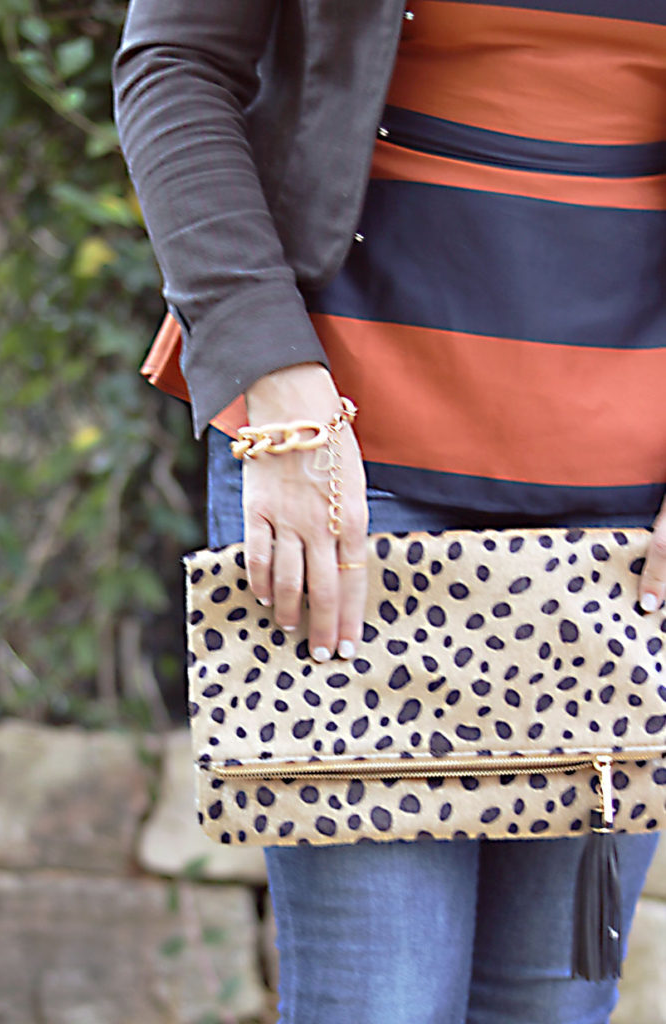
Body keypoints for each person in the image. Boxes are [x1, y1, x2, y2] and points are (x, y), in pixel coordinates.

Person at [113, 2, 666, 1021]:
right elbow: (174, 66)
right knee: (378, 1003)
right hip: (341, 473)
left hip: (627, 524)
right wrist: (278, 394)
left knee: (554, 1009)